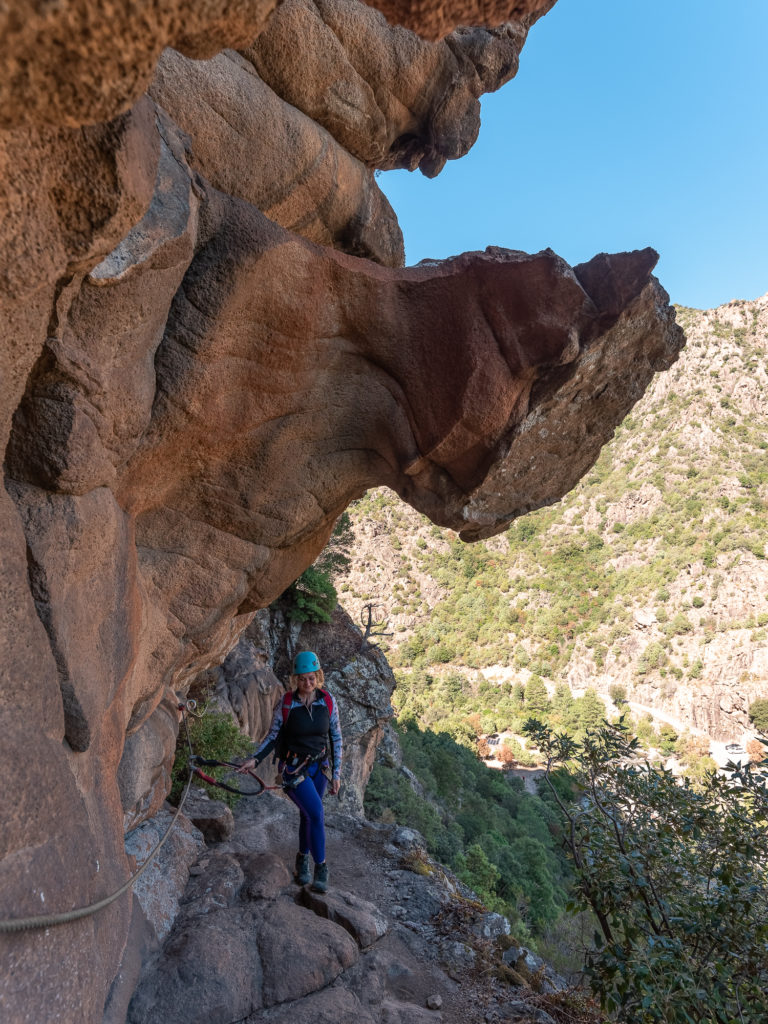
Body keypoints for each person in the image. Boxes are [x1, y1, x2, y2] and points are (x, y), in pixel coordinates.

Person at [239, 650, 342, 893]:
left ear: (318, 677)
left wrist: (336, 774)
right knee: (316, 814)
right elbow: (273, 736)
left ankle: (302, 860)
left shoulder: (327, 701)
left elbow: (336, 737)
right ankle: (321, 867)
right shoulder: (286, 703)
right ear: (295, 679)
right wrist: (255, 759)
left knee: (307, 815)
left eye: (312, 678)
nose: (307, 683)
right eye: (302, 679)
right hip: (294, 770)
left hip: (319, 767)